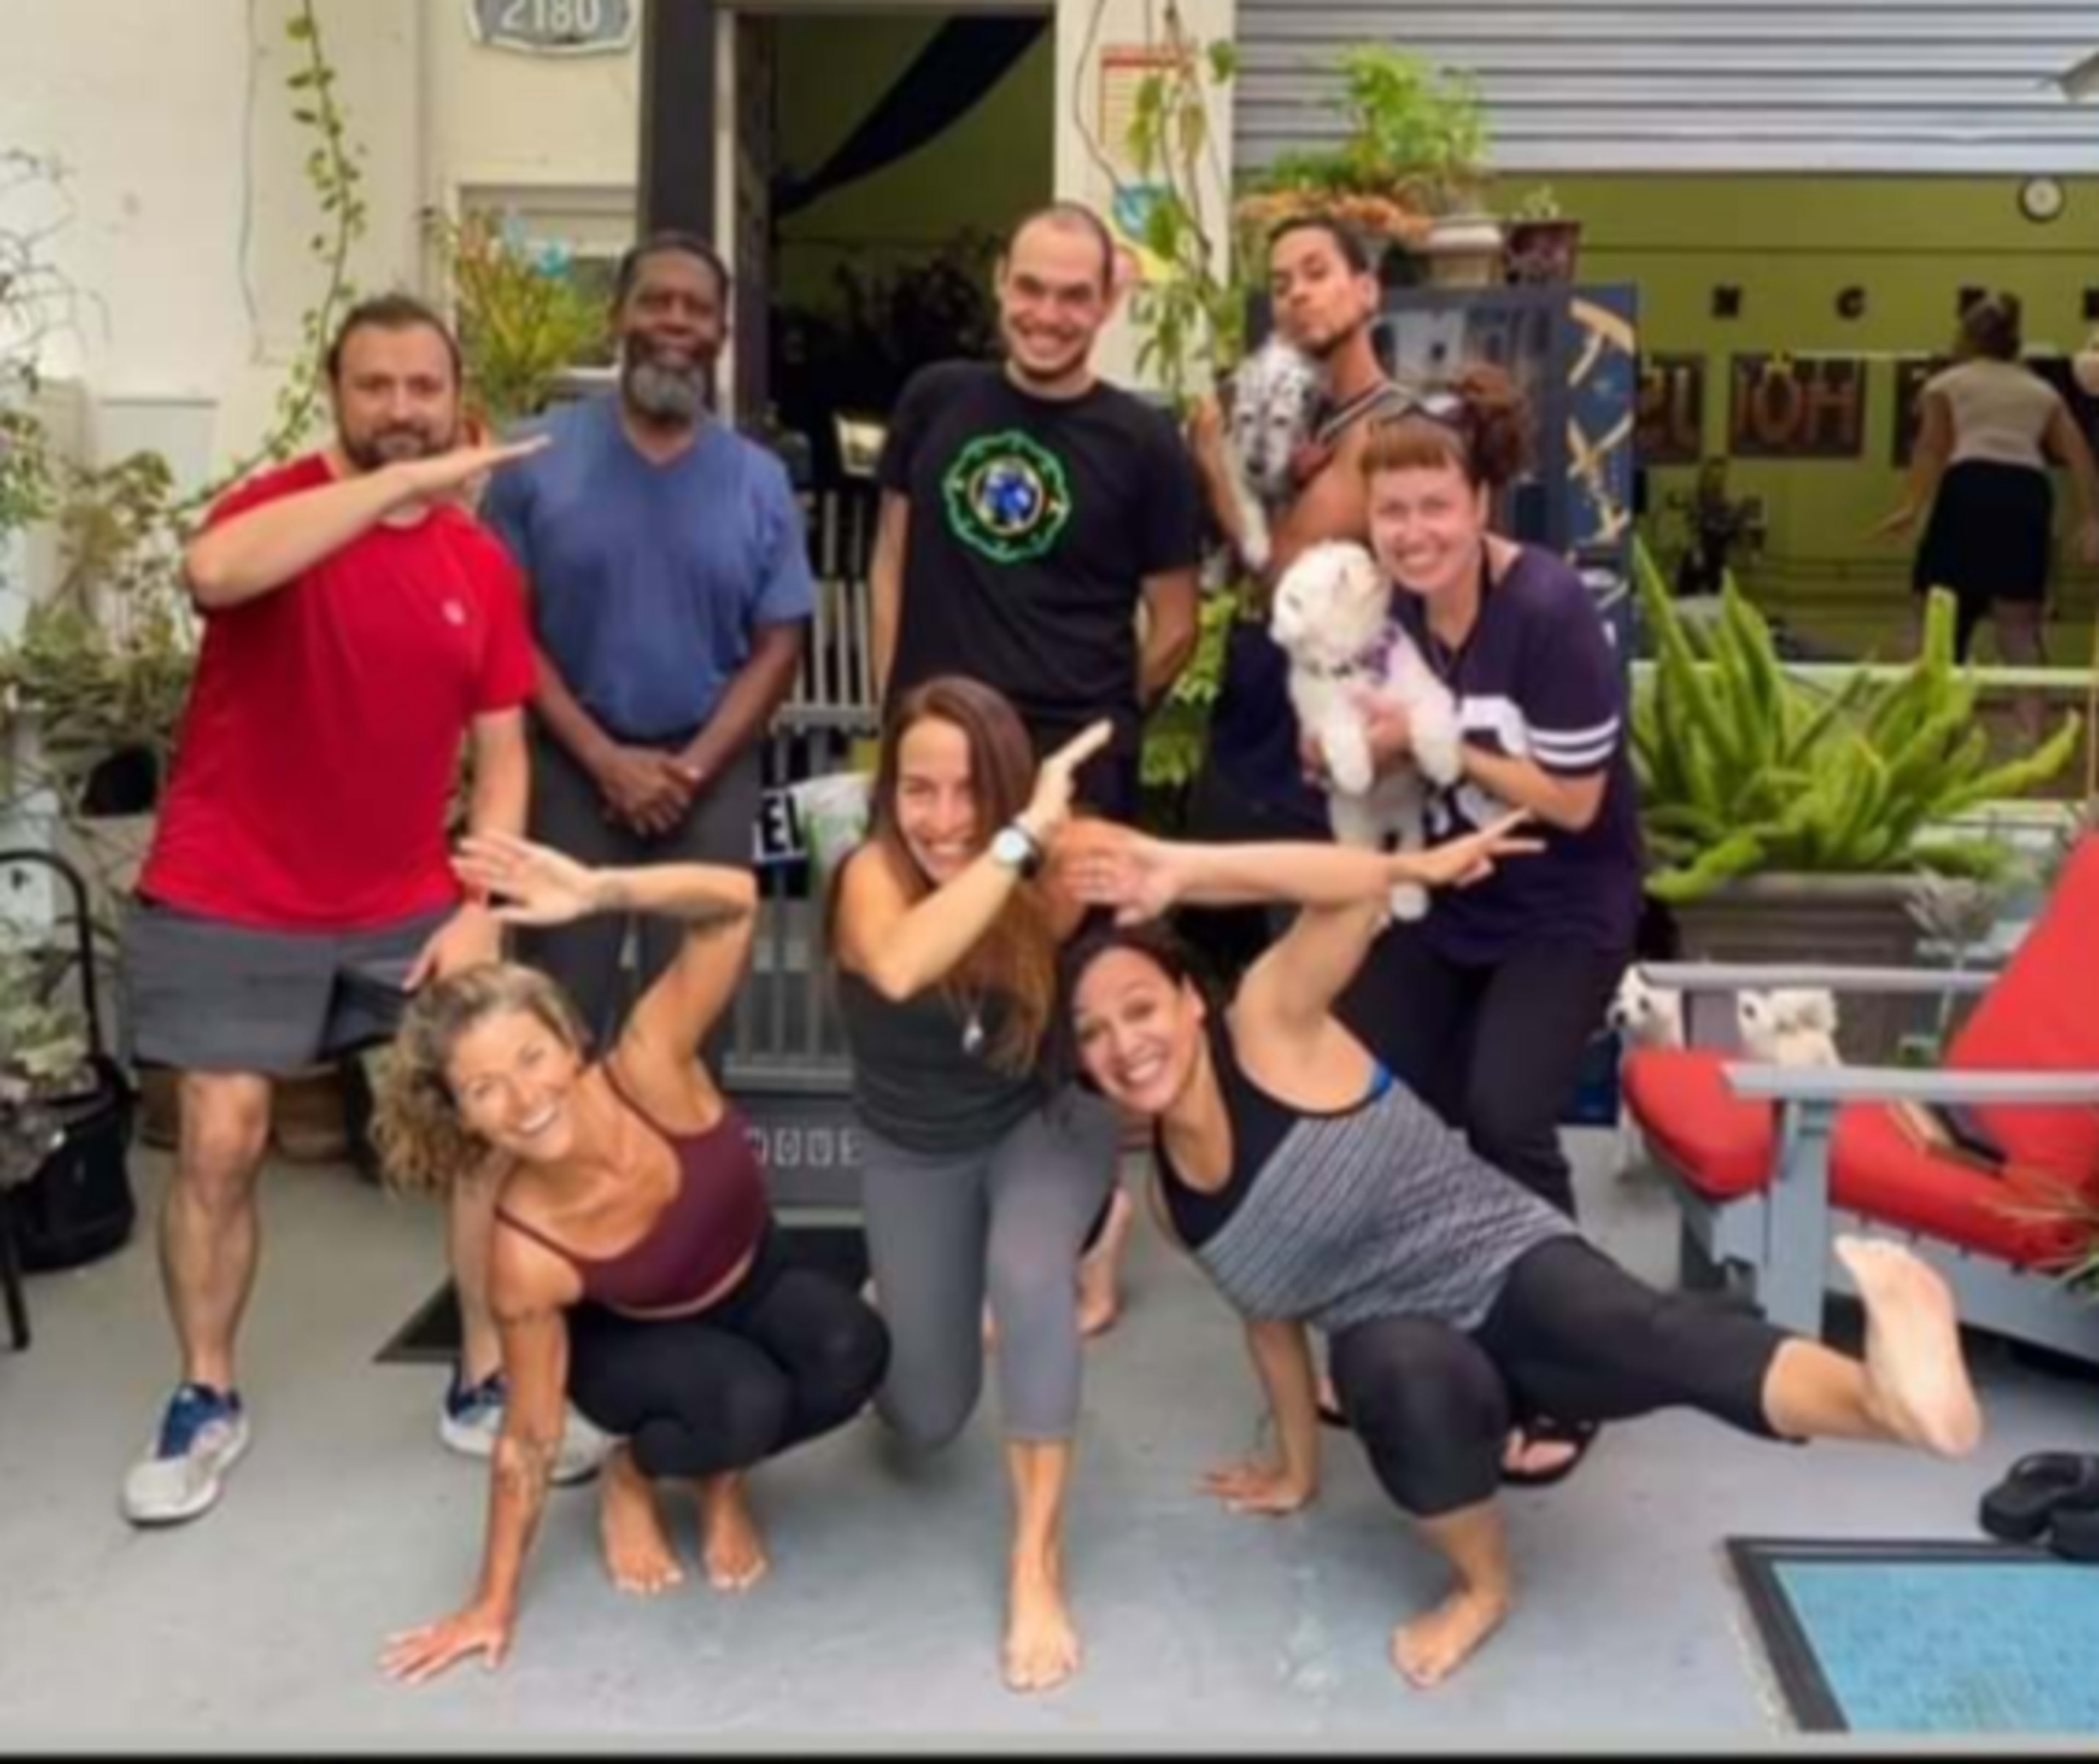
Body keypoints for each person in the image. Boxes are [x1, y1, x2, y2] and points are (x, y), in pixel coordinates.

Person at [1059, 824, 1985, 1690]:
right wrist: (1296, 1471)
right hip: (1414, 1345)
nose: (1126, 1044)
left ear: (1188, 1002)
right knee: (1389, 1370)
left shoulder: (1266, 1026)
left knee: (1648, 1332)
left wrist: (1180, 865)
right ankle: (1483, 1585)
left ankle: (1888, 1403)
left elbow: (1351, 890)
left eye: (1140, 1008)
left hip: (1505, 1266)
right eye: (1094, 1034)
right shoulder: (1173, 1203)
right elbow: (1269, 1319)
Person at [117, 294, 586, 1528]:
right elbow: (212, 574)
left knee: (487, 1127)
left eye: (420, 388)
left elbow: (503, 752)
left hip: (402, 899)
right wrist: (390, 489)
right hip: (231, 885)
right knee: (221, 1135)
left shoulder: (479, 567)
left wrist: (480, 898)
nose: (399, 410)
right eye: (374, 386)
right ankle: (205, 1392)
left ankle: (483, 1376)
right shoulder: (274, 514)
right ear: (337, 392)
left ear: (453, 391)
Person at [374, 835, 889, 1684]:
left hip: (749, 1272)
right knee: (745, 1400)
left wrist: (603, 887)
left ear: (571, 1042)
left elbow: (732, 901)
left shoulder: (649, 1061)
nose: (524, 1097)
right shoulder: (524, 1248)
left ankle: (716, 1465)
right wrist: (491, 1599)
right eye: (483, 1088)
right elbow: (530, 1437)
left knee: (854, 1350)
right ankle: (639, 1473)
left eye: (531, 1057)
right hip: (633, 1340)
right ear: (463, 1117)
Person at [870, 199, 1203, 1322]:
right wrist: (898, 719)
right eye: (1032, 287)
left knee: (1072, 1003)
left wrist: (1101, 722)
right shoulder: (936, 402)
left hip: (1073, 776)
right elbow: (892, 563)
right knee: (946, 989)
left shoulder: (1145, 444)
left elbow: (1176, 619)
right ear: (1001, 284)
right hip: (942, 767)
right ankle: (950, 1230)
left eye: (1075, 294)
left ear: (1106, 305)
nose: (1049, 313)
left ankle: (1087, 1241)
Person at [1322, 365, 1645, 1481]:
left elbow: (1573, 802)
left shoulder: (1550, 610)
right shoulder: (1381, 606)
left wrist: (1431, 731)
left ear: (1480, 503)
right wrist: (1347, 741)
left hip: (1563, 903)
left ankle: (1568, 1368)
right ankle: (1408, 1322)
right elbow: (1350, 734)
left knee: (1507, 1112)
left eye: (1434, 506)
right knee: (1360, 1087)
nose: (1413, 532)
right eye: (1392, 509)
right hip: (1446, 887)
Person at [829, 677, 1119, 1692]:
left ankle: (1035, 1561)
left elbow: (1213, 872)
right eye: (920, 790)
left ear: (1005, 788)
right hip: (915, 1152)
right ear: (889, 792)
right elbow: (904, 966)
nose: (945, 820)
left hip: (1042, 1124)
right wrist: (1013, 845)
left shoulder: (1054, 860)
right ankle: (913, 1304)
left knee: (1030, 1273)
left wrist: (1405, 865)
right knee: (926, 1413)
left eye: (968, 792)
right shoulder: (868, 874)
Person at [480, 230, 813, 1048]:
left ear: (721, 335)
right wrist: (602, 758)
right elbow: (503, 628)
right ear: (616, 317)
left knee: (695, 1019)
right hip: (568, 768)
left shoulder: (758, 479)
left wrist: (692, 767)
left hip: (709, 776)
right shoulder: (535, 460)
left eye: (697, 308)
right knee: (551, 1012)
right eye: (655, 300)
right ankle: (551, 1177)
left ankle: (677, 1181)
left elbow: (780, 642)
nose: (675, 320)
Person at [1188, 216, 1422, 872]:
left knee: (1301, 950)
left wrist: (1215, 465)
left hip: (1324, 742)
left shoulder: (1383, 427)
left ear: (1368, 292)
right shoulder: (1303, 426)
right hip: (1256, 715)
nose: (1296, 293)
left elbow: (1283, 570)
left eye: (1317, 273)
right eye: (1282, 282)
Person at [1875, 291, 2099, 739]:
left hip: (1970, 490)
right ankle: (2032, 738)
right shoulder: (2041, 391)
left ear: (1967, 338)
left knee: (1937, 621)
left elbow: (1932, 449)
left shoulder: (1948, 383)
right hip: (2025, 495)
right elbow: (2080, 456)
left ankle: (1929, 735)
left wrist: (1909, 506)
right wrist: (2092, 517)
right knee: (2019, 629)